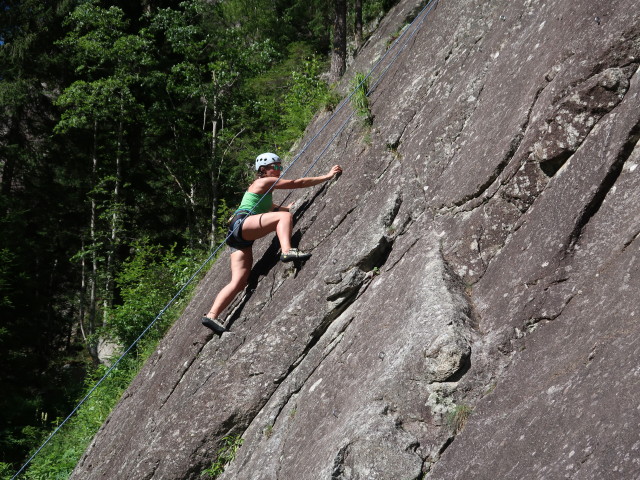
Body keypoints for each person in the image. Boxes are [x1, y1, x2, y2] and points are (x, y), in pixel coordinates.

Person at [202, 152, 342, 333]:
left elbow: (270, 208)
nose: (279, 170)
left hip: (237, 234)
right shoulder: (263, 182)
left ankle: (211, 316)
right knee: (284, 217)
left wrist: (284, 208)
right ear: (263, 170)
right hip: (243, 223)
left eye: (280, 167)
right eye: (275, 167)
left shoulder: (262, 192)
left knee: (239, 281)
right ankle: (287, 250)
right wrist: (327, 176)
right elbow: (296, 183)